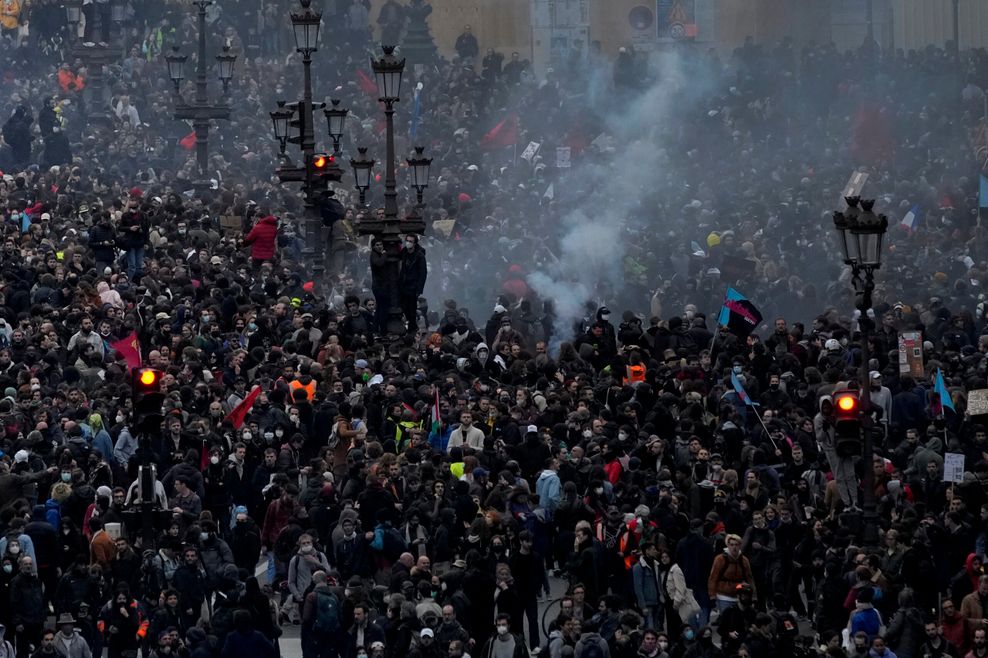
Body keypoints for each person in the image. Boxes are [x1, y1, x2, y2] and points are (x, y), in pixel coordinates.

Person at [398, 235, 427, 333]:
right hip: (404, 284)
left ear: (414, 243)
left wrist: (419, 289)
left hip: (413, 285)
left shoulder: (419, 256)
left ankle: (412, 328)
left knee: (412, 309)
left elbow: (423, 274)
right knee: (403, 306)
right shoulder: (404, 252)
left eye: (410, 241)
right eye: (407, 240)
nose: (408, 242)